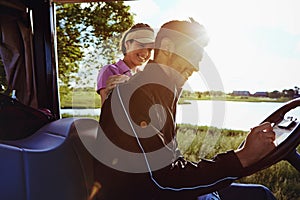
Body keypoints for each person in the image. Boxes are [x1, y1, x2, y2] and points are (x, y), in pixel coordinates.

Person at [93, 19, 277, 200]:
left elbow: (173, 163)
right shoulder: (134, 96)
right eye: (193, 56)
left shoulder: (163, 93)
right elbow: (161, 182)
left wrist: (241, 156)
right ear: (168, 48)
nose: (196, 67)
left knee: (260, 194)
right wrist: (242, 158)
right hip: (141, 195)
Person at [96, 23, 155, 106]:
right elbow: (108, 107)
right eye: (141, 45)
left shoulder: (144, 76)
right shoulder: (110, 70)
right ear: (127, 44)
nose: (145, 53)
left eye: (150, 49)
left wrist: (130, 82)